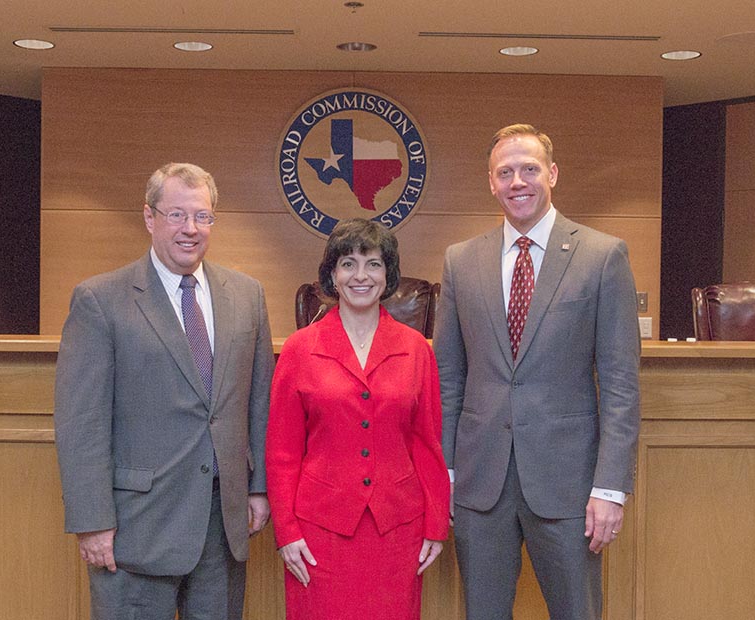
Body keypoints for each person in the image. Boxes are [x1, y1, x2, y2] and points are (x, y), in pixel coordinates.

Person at [434, 124, 641, 620]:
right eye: (505, 172)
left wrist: (610, 488)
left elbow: (619, 385)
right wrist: (445, 474)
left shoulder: (601, 255)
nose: (517, 181)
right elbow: (449, 380)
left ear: (552, 173)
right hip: (480, 486)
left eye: (529, 169)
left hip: (569, 486)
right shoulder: (461, 261)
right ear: (491, 182)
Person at [53, 162, 275, 620]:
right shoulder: (101, 299)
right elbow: (82, 423)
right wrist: (93, 522)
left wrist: (258, 489)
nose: (190, 229)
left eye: (202, 216)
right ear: (150, 217)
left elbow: (258, 404)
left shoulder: (247, 295)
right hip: (135, 531)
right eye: (176, 215)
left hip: (221, 528)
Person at [266, 218, 451, 620]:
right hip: (319, 532)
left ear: (389, 275)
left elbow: (427, 442)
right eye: (348, 264)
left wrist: (436, 523)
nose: (361, 276)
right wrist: (286, 531)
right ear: (332, 274)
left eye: (373, 264)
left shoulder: (416, 348)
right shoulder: (301, 349)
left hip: (397, 531)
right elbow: (282, 451)